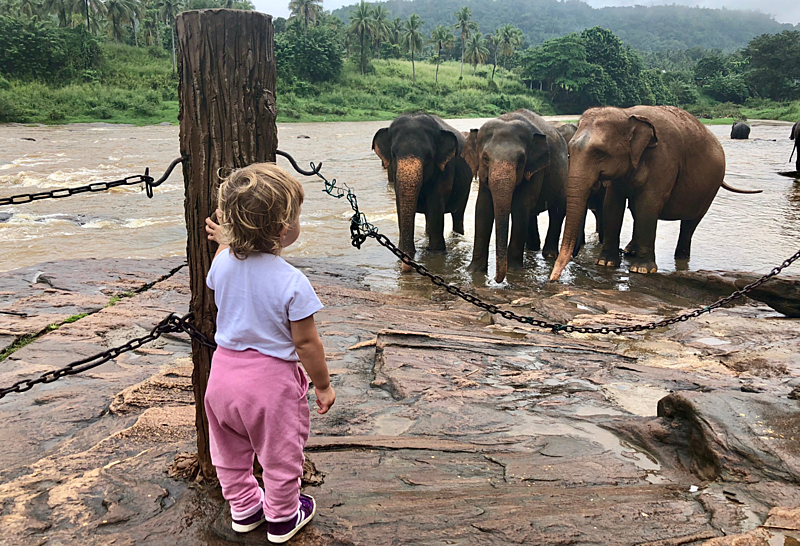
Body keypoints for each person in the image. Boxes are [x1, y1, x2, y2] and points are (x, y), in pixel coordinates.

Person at [203, 163, 336, 543]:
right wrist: (323, 385)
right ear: (282, 229)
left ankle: (244, 509)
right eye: (295, 217)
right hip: (271, 386)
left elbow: (227, 264)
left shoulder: (223, 262)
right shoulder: (292, 282)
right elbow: (307, 343)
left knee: (228, 453)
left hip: (223, 378)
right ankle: (282, 517)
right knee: (280, 457)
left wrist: (226, 241)